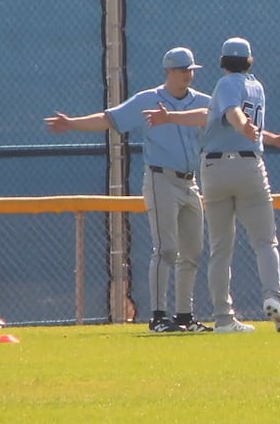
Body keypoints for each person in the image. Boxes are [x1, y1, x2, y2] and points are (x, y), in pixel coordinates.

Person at [45, 47, 212, 333]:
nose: (187, 75)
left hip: (190, 183)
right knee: (167, 249)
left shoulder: (203, 102)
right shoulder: (148, 99)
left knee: (192, 252)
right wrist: (72, 123)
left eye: (190, 70)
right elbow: (109, 119)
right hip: (161, 179)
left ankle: (185, 316)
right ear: (168, 71)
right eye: (182, 70)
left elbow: (230, 120)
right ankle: (158, 317)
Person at [144, 37, 280, 334]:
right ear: (249, 61)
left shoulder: (225, 84)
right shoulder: (257, 87)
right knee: (265, 242)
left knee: (220, 247)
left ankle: (223, 318)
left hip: (215, 169)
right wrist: (259, 134)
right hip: (249, 166)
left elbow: (230, 113)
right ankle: (272, 296)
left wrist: (243, 126)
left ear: (222, 62)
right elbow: (224, 116)